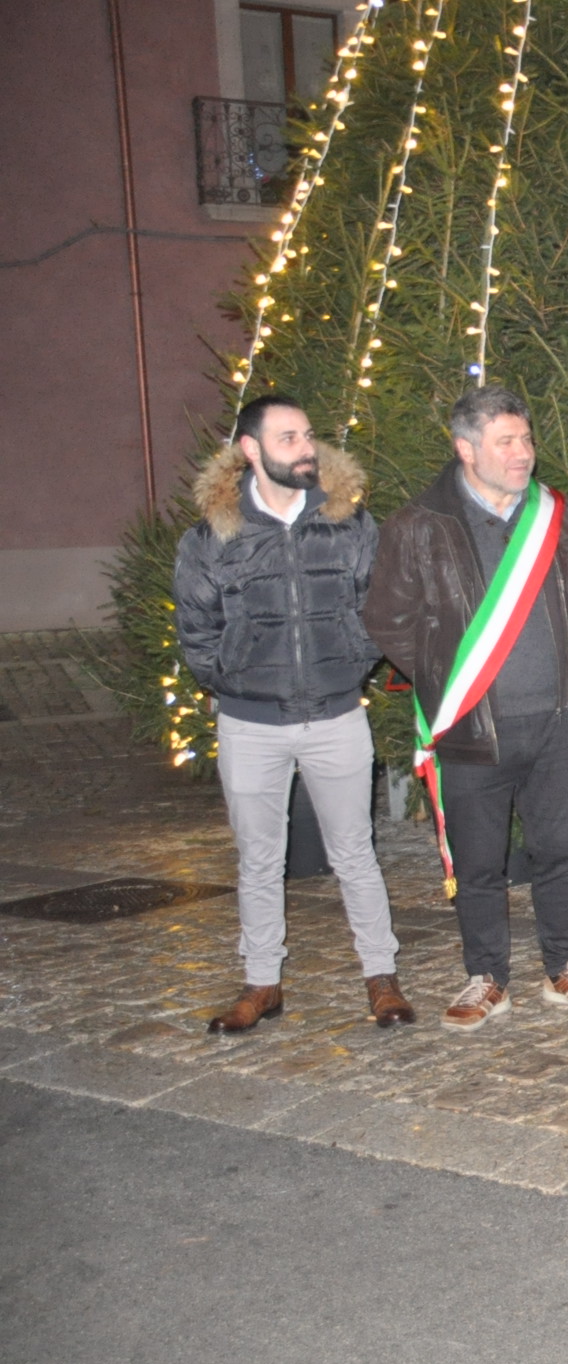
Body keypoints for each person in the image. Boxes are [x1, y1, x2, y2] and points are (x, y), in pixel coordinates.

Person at [365, 385, 568, 1032]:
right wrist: (446, 676)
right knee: (479, 863)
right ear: (465, 449)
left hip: (556, 718)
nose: (523, 453)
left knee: (559, 852)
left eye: (525, 438)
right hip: (472, 725)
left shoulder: (556, 515)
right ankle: (486, 977)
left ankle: (566, 966)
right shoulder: (419, 525)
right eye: (505, 442)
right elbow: (389, 619)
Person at [174, 395, 409, 1033]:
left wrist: (350, 663)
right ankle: (262, 983)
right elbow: (196, 629)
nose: (306, 448)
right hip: (250, 724)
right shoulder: (212, 537)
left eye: (307, 434)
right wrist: (234, 681)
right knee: (258, 858)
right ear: (251, 450)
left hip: (336, 716)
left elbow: (377, 607)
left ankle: (381, 976)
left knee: (355, 852)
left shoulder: (348, 523)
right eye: (288, 438)